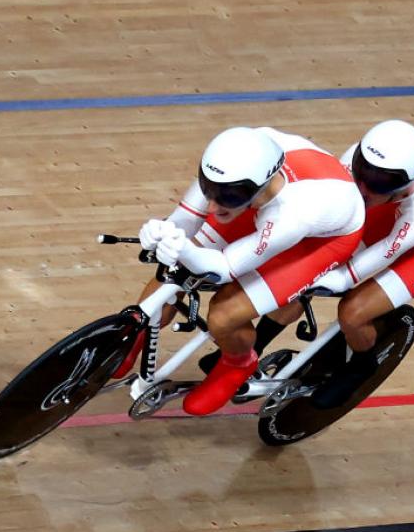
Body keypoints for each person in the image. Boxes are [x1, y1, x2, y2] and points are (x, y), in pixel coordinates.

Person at [117, 126, 365, 416]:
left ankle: (239, 361)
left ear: (260, 185)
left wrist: (182, 248)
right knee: (175, 271)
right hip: (261, 205)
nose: (211, 204)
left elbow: (224, 269)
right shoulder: (228, 167)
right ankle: (135, 334)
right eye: (207, 189)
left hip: (321, 240)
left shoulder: (293, 214)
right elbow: (183, 223)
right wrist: (162, 232)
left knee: (224, 314)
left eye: (224, 197)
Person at [259, 119, 414, 408]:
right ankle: (254, 346)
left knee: (353, 313)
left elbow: (384, 254)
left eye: (378, 182)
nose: (363, 186)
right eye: (362, 172)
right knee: (307, 269)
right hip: (387, 209)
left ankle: (362, 365)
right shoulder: (358, 168)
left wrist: (336, 279)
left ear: (406, 185)